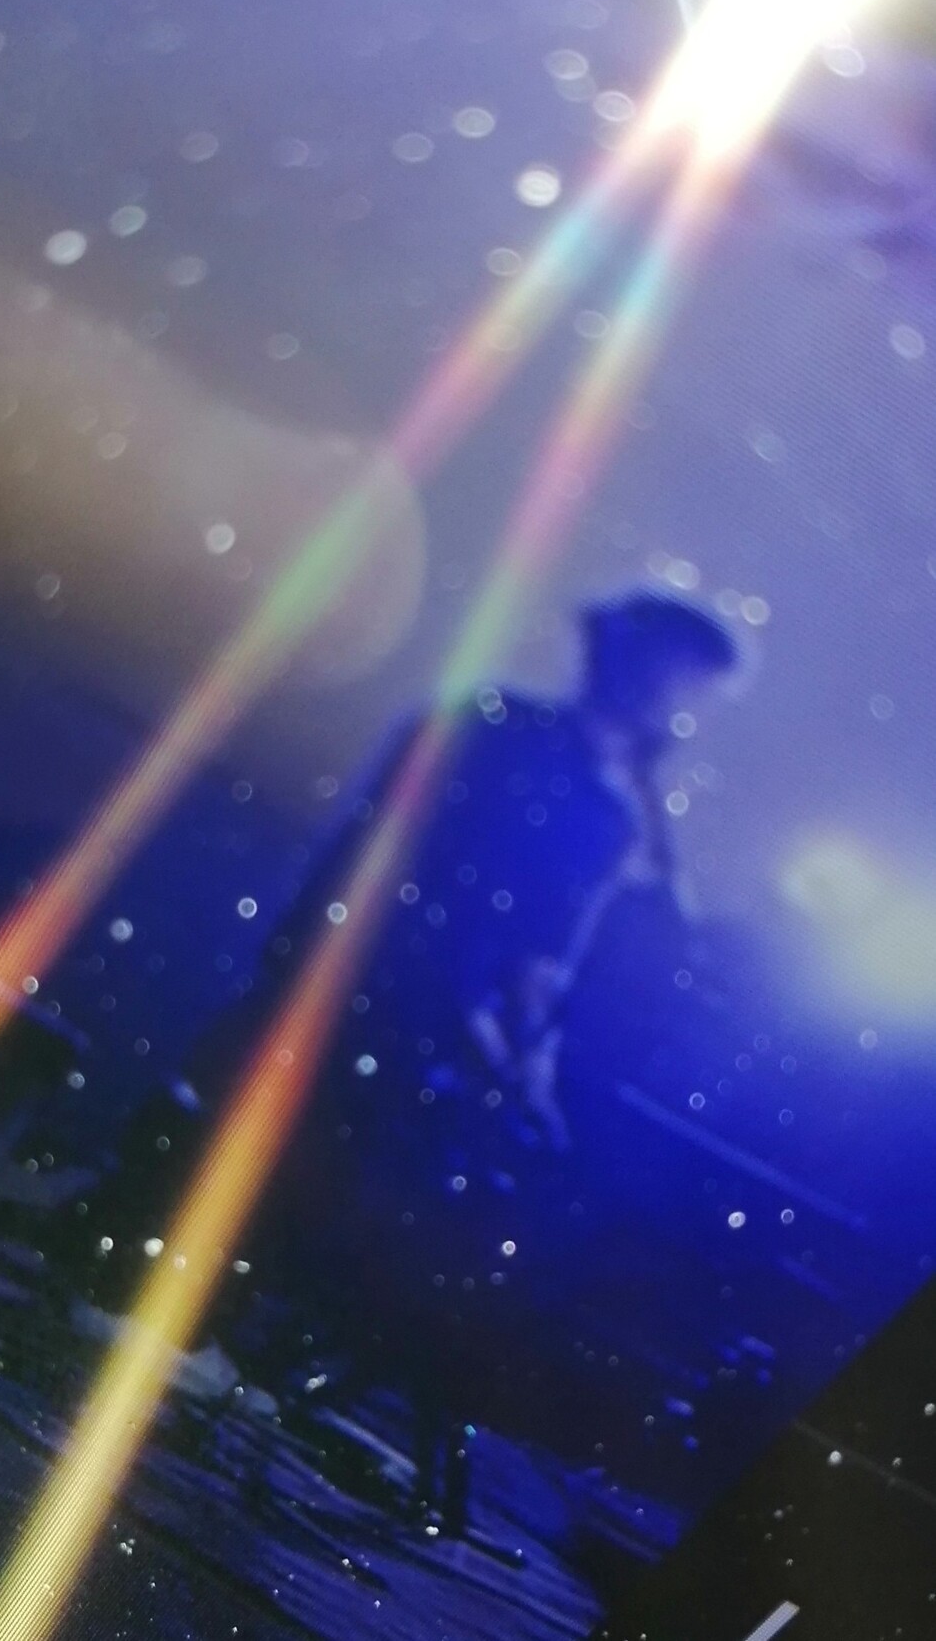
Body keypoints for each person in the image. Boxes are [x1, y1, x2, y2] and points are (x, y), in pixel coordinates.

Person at [77, 588, 741, 1524]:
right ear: (655, 681)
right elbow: (523, 953)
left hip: (350, 975)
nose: (686, 712)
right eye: (686, 688)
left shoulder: (498, 733)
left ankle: (139, 1301)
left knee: (259, 1137)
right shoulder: (582, 796)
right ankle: (162, 1321)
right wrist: (520, 1069)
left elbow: (393, 859)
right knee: (302, 1162)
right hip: (400, 1007)